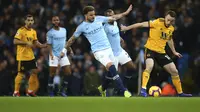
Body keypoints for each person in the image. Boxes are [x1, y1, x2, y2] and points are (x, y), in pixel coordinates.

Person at [65, 5, 133, 97]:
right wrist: (67, 47)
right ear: (85, 15)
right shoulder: (82, 27)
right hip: (98, 51)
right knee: (111, 66)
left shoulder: (99, 19)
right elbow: (72, 39)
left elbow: (113, 17)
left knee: (112, 72)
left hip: (109, 49)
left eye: (94, 14)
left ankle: (102, 88)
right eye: (91, 15)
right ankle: (123, 90)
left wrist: (125, 13)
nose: (93, 17)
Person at [121, 10, 192, 97]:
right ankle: (143, 90)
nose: (169, 22)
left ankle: (180, 93)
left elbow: (169, 39)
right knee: (150, 66)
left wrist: (174, 51)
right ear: (165, 17)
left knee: (174, 71)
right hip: (150, 50)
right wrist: (126, 28)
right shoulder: (157, 22)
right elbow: (141, 24)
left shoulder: (171, 28)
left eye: (172, 21)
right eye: (168, 19)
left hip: (161, 52)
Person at [98, 9, 136, 95]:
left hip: (120, 51)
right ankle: (104, 88)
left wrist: (119, 38)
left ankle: (123, 86)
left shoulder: (115, 23)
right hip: (112, 55)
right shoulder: (105, 28)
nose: (112, 17)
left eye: (112, 15)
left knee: (132, 68)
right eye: (109, 16)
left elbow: (115, 33)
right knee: (111, 75)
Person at [13, 14, 47, 97]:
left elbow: (35, 42)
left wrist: (42, 45)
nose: (30, 22)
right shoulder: (21, 30)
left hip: (31, 56)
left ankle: (30, 91)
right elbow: (15, 41)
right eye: (28, 20)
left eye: (31, 20)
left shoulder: (33, 31)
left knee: (34, 72)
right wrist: (25, 43)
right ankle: (16, 92)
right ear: (25, 21)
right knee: (21, 73)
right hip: (22, 56)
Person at [47, 16, 72, 97]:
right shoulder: (50, 33)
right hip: (54, 55)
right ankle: (50, 91)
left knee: (68, 72)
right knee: (52, 73)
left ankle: (62, 90)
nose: (56, 21)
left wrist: (70, 49)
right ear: (52, 22)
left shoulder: (64, 30)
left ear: (59, 21)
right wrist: (51, 54)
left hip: (63, 54)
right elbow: (49, 45)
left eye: (57, 20)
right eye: (54, 20)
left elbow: (65, 42)